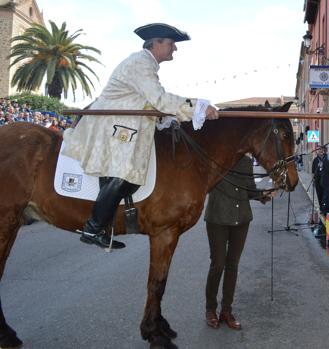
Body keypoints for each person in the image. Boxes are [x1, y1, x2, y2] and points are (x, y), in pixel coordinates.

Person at [62, 23, 220, 249]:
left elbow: (151, 104)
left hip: (124, 125)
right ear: (156, 43)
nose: (174, 49)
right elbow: (160, 100)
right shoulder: (141, 63)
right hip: (112, 125)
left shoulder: (146, 65)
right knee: (122, 172)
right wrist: (198, 106)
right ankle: (93, 227)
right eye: (171, 44)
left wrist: (174, 116)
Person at [204, 155, 271, 330]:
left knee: (232, 265)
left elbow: (249, 189)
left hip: (241, 219)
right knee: (218, 264)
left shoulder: (246, 162)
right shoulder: (215, 156)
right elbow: (205, 185)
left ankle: (226, 311)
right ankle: (210, 309)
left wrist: (263, 194)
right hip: (217, 218)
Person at [311, 146, 329, 214]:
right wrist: (313, 180)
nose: (320, 151)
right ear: (316, 151)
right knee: (319, 194)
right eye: (318, 149)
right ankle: (321, 208)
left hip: (326, 180)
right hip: (317, 180)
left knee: (325, 195)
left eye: (321, 149)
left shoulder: (328, 158)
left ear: (324, 150)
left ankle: (325, 209)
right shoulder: (315, 160)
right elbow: (313, 171)